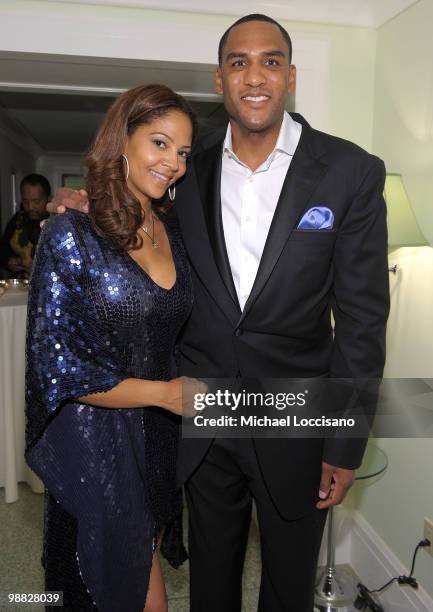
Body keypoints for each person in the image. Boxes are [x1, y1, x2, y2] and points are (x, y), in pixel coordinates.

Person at [49, 13, 390, 612]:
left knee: (289, 586)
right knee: (211, 581)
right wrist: (87, 206)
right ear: (219, 79)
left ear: (289, 76)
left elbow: (362, 320)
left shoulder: (350, 171)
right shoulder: (186, 165)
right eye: (238, 62)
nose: (254, 75)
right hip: (202, 413)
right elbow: (135, 219)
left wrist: (345, 439)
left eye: (270, 61)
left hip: (297, 418)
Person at [26, 84, 200, 612]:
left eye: (183, 153)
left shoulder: (173, 229)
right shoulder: (69, 233)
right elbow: (57, 369)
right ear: (122, 140)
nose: (173, 163)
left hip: (158, 442)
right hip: (97, 445)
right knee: (98, 586)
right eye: (160, 143)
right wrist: (164, 394)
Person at [0, 173, 50, 277]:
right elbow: (3, 248)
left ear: (48, 199)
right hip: (20, 285)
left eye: (36, 201)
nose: (30, 207)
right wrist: (8, 260)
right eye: (25, 201)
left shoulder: (59, 223)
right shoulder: (17, 220)